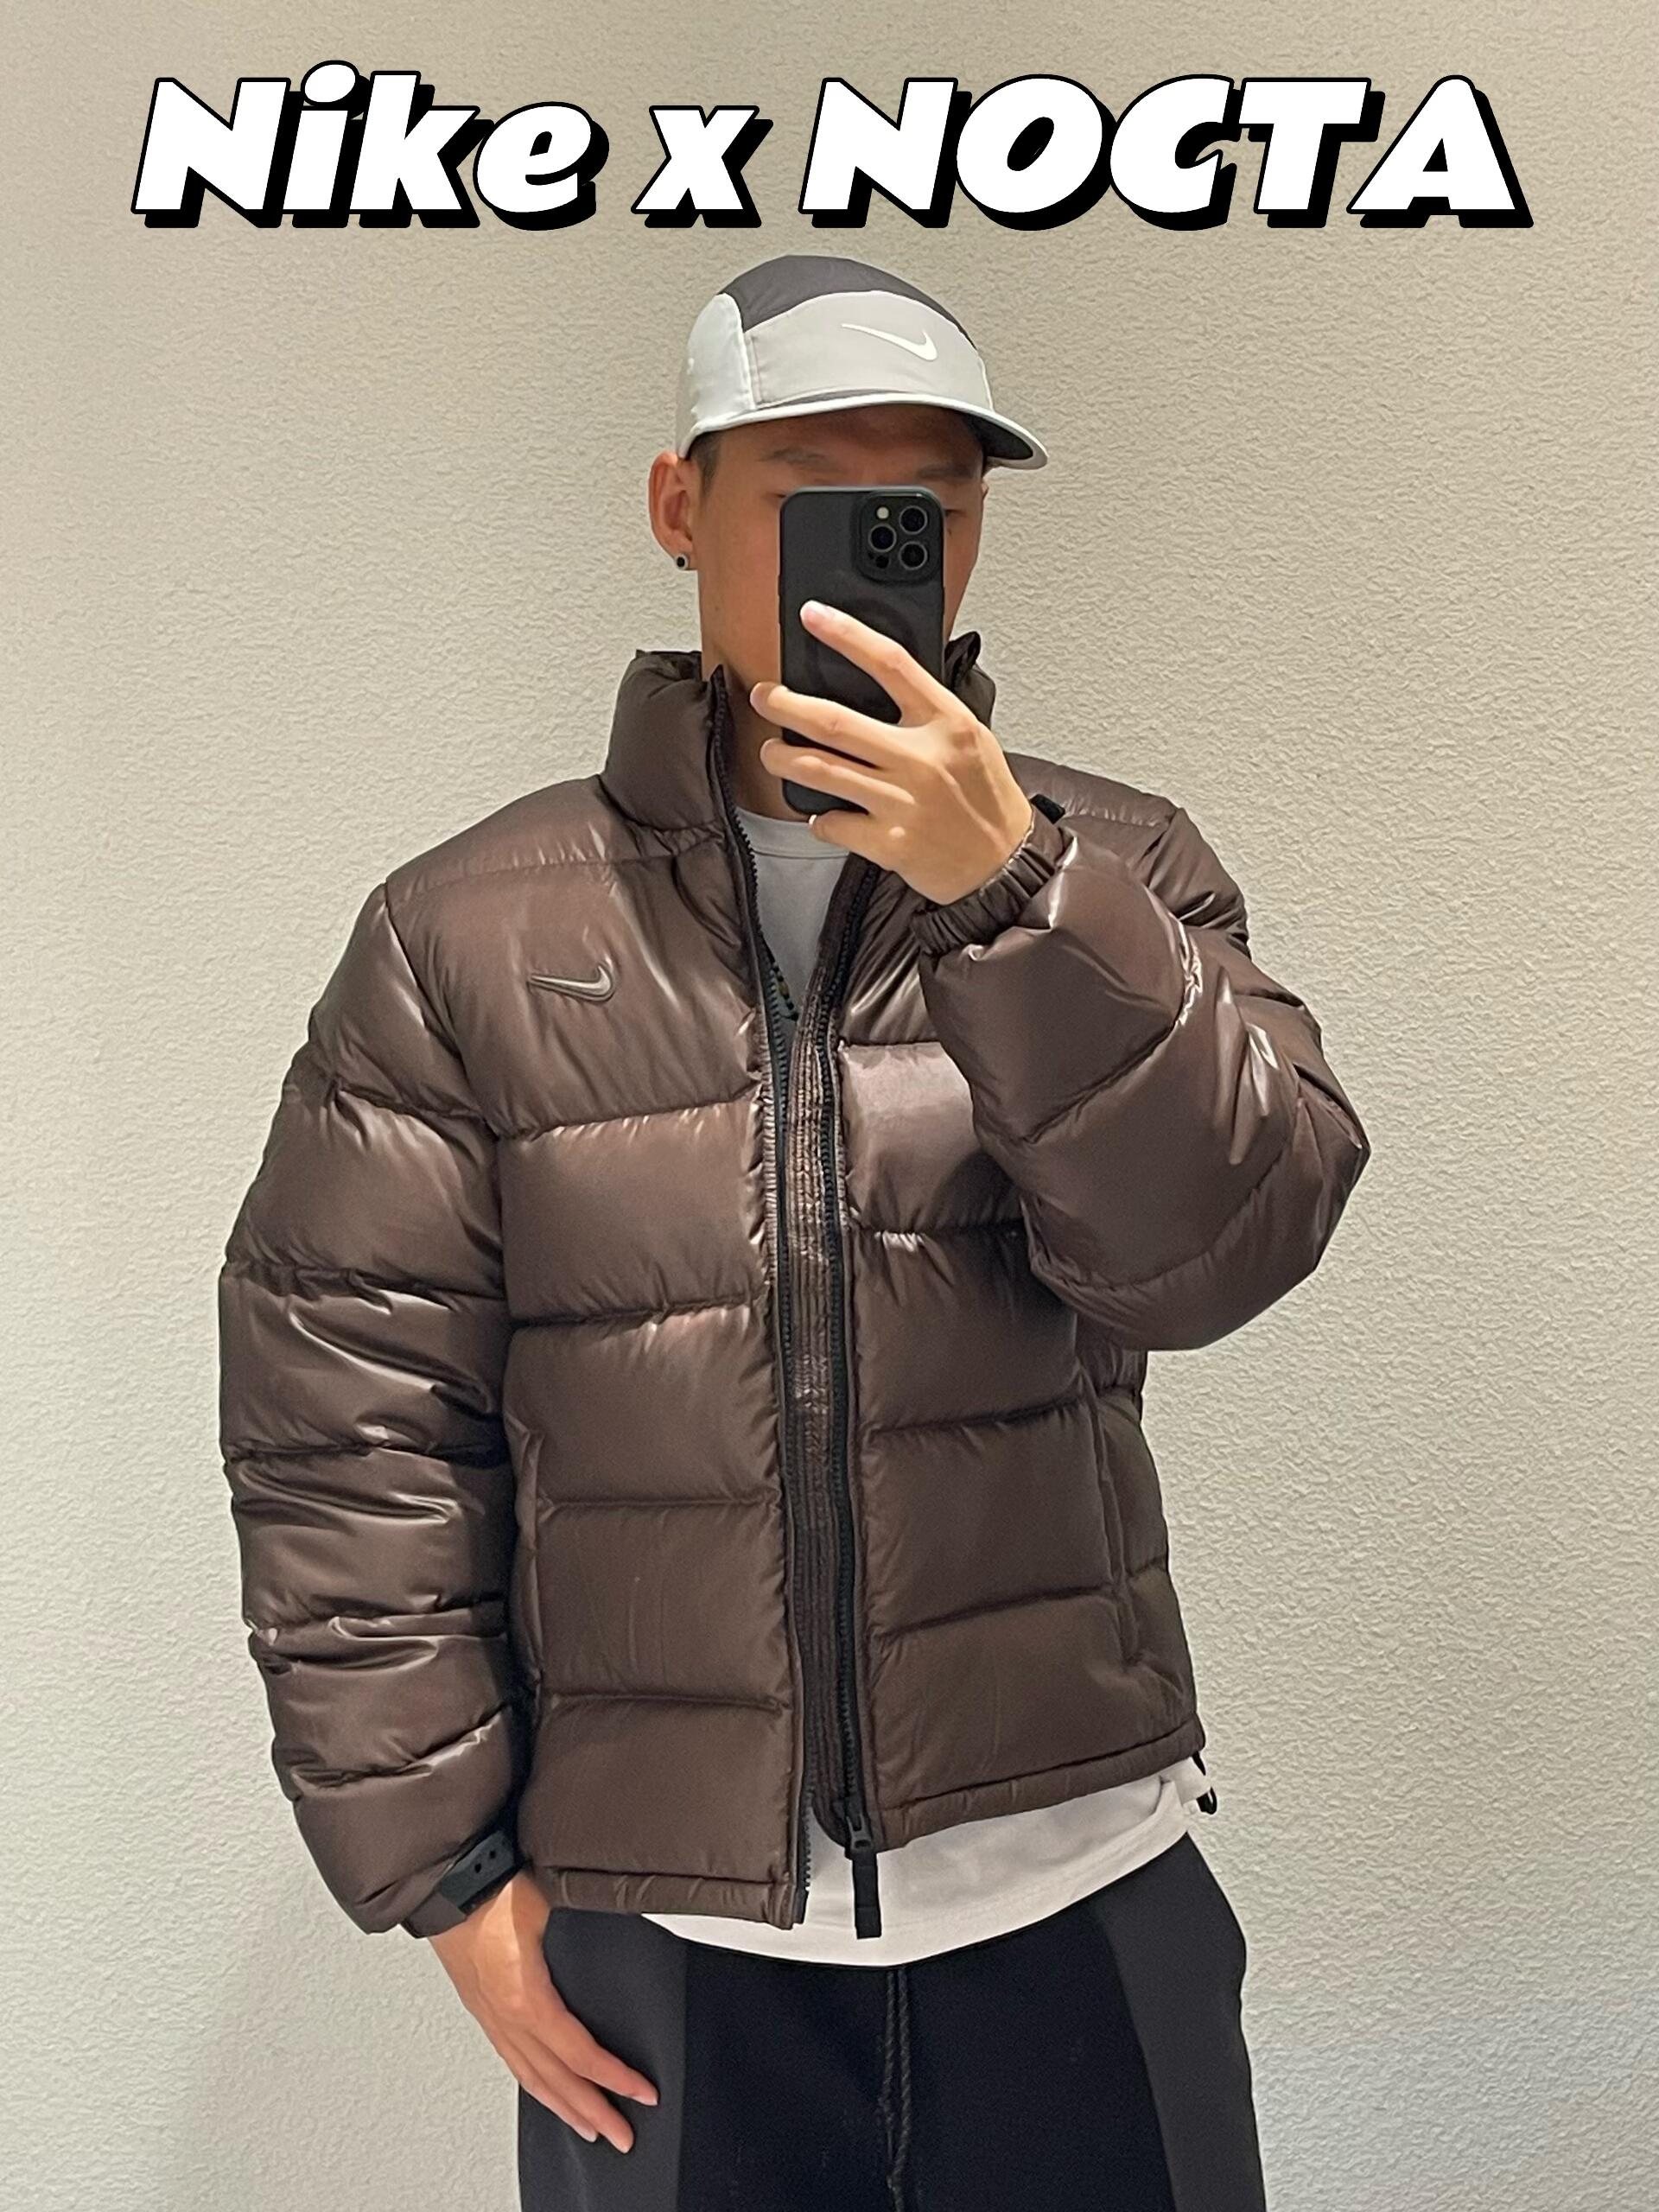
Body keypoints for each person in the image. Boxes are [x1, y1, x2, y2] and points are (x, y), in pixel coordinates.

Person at [217, 252, 1371, 2210]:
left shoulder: (1120, 868)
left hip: (1078, 1884)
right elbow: (346, 1420)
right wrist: (448, 1880)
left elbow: (1224, 1244)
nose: (876, 542)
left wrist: (1013, 893)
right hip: (667, 1948)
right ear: (679, 506)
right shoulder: (462, 936)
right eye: (814, 489)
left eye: (928, 497)